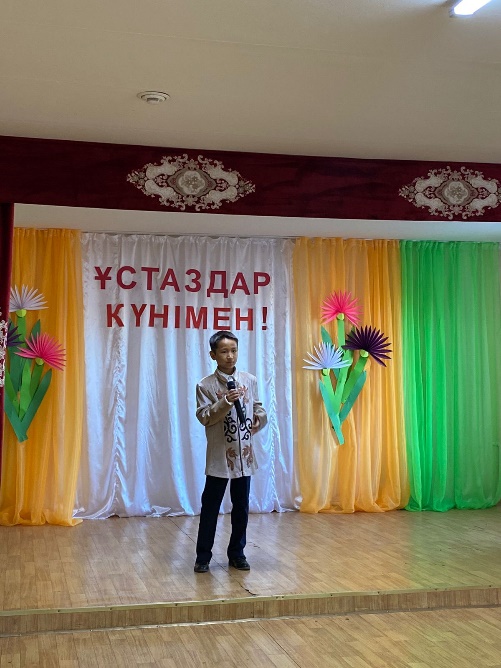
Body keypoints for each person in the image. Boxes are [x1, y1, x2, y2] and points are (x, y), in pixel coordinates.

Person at [194, 330, 267, 573]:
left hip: (243, 456)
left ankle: (237, 553)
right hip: (219, 456)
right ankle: (203, 557)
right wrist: (225, 401)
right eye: (224, 351)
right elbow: (205, 417)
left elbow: (258, 407)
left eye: (233, 350)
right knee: (210, 507)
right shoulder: (205, 385)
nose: (230, 356)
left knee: (242, 507)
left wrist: (259, 419)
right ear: (213, 355)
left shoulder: (249, 380)